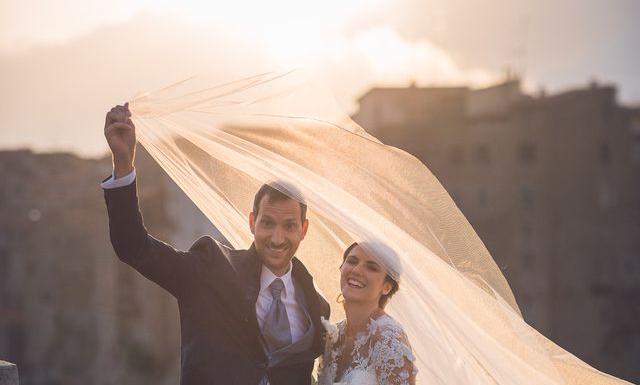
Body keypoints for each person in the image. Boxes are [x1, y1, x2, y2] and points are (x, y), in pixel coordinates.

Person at [102, 103, 330, 385]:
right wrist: (123, 165)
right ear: (251, 222)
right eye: (268, 223)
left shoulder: (317, 307)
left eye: (289, 226)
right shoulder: (210, 270)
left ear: (304, 230)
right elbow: (133, 247)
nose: (277, 238)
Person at [317, 242, 417, 385]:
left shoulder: (388, 339)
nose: (357, 270)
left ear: (387, 287)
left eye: (372, 268)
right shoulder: (333, 337)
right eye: (352, 261)